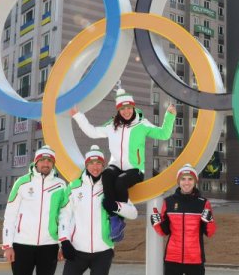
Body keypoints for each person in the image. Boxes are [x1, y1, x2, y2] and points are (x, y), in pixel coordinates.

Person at [56, 145, 138, 275]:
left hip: (102, 251)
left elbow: (133, 212)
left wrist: (116, 207)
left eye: (99, 163)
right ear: (86, 165)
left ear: (103, 165)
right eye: (91, 163)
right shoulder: (73, 187)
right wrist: (64, 240)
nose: (95, 166)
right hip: (76, 250)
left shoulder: (111, 187)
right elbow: (65, 216)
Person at [1, 145, 67, 275]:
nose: (45, 164)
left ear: (53, 163)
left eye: (49, 161)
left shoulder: (60, 185)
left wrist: (62, 243)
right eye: (42, 160)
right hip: (22, 245)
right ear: (36, 162)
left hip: (49, 246)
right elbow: (10, 215)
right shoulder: (21, 183)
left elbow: (64, 216)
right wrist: (7, 245)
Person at [70, 87, 176, 215]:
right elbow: (92, 132)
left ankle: (121, 216)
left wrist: (169, 115)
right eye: (122, 108)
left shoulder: (142, 124)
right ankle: (110, 212)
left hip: (134, 169)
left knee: (120, 181)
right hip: (116, 166)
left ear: (133, 107)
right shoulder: (112, 126)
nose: (126, 111)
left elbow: (164, 134)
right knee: (107, 175)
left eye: (129, 108)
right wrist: (76, 114)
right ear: (118, 110)